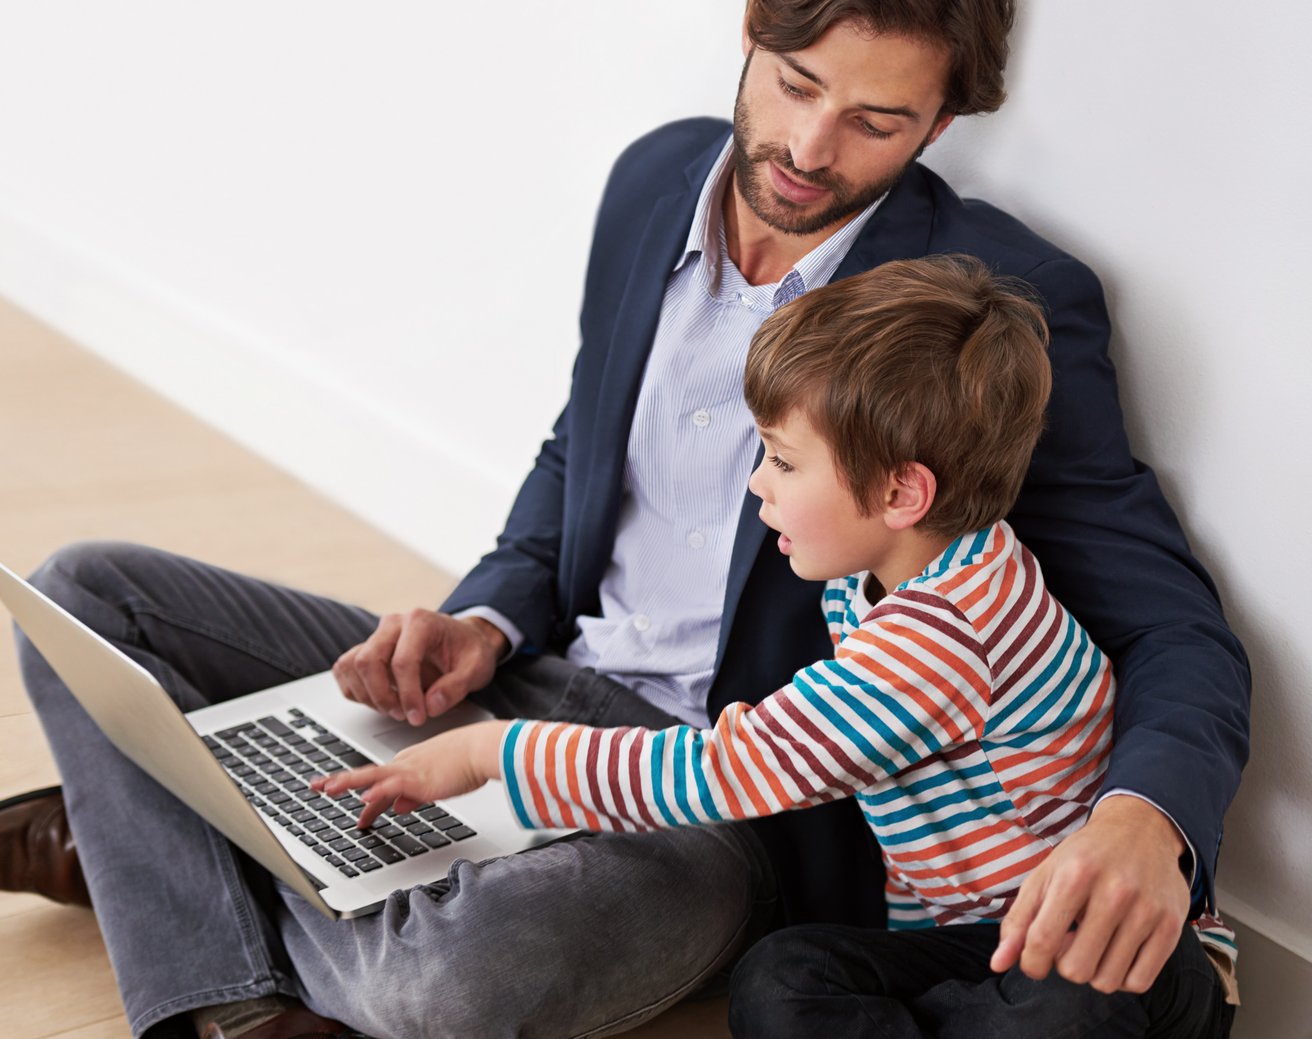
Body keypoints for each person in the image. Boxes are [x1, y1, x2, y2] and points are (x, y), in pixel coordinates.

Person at [2, 2, 1249, 1038]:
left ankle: (153, 858)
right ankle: (214, 940)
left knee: (445, 982)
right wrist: (486, 614)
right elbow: (579, 450)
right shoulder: (656, 177)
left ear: (946, 119)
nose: (810, 148)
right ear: (752, 35)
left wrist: (1150, 817)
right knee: (82, 587)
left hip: (723, 800)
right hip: (536, 678)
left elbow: (1173, 625)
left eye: (876, 120)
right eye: (796, 83)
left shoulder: (990, 309)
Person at [312, 255, 1237, 1038]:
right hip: (968, 939)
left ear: (902, 494)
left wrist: (487, 750)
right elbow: (838, 725)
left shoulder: (943, 633)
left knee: (1068, 997)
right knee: (784, 975)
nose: (758, 484)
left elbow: (726, 773)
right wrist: (794, 728)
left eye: (784, 462)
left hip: (1102, 949)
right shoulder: (900, 566)